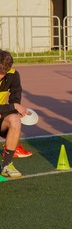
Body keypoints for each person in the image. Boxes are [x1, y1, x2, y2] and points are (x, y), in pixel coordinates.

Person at [0, 50, 29, 178]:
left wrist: (12, 109)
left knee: (15, 119)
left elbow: (15, 99)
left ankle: (6, 165)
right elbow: (14, 105)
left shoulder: (13, 75)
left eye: (3, 73)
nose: (1, 76)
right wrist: (13, 107)